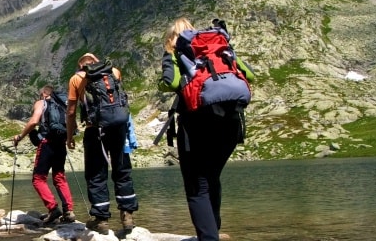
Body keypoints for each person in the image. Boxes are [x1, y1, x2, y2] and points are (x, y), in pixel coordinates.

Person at [158, 18, 254, 241]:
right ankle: (214, 231)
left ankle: (209, 237)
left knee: (196, 186)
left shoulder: (177, 52)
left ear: (174, 38)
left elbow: (169, 82)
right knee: (212, 178)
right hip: (230, 123)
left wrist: (170, 59)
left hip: (197, 124)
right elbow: (248, 75)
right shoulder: (217, 48)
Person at [65, 53, 138, 234]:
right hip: (119, 127)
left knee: (96, 173)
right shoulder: (114, 72)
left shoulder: (76, 79)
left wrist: (69, 136)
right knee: (122, 169)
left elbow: (71, 111)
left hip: (95, 129)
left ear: (81, 65)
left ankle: (101, 219)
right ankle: (127, 214)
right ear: (96, 61)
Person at [13, 85, 76, 224]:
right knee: (59, 177)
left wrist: (20, 136)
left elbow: (34, 121)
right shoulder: (62, 104)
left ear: (43, 94)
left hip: (46, 143)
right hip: (60, 143)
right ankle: (69, 211)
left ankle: (53, 209)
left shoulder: (42, 102)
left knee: (38, 179)